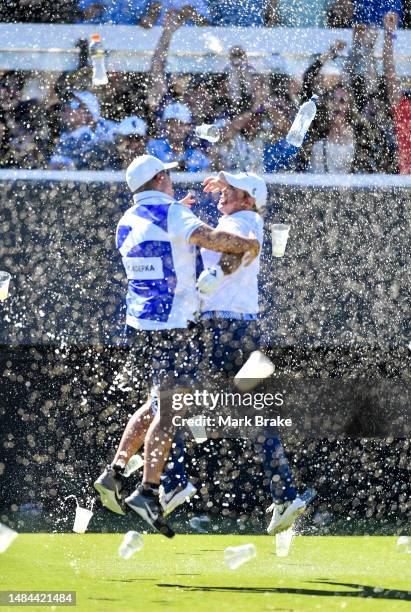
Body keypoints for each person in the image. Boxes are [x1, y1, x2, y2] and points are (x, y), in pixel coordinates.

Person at [94, 154, 260, 535]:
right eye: (167, 173)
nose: (171, 178)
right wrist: (249, 242)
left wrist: (178, 217)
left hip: (141, 326)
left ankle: (115, 471)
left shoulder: (128, 219)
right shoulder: (172, 216)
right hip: (173, 325)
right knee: (171, 410)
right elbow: (215, 240)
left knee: (156, 404)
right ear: (158, 180)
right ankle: (149, 491)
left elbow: (158, 243)